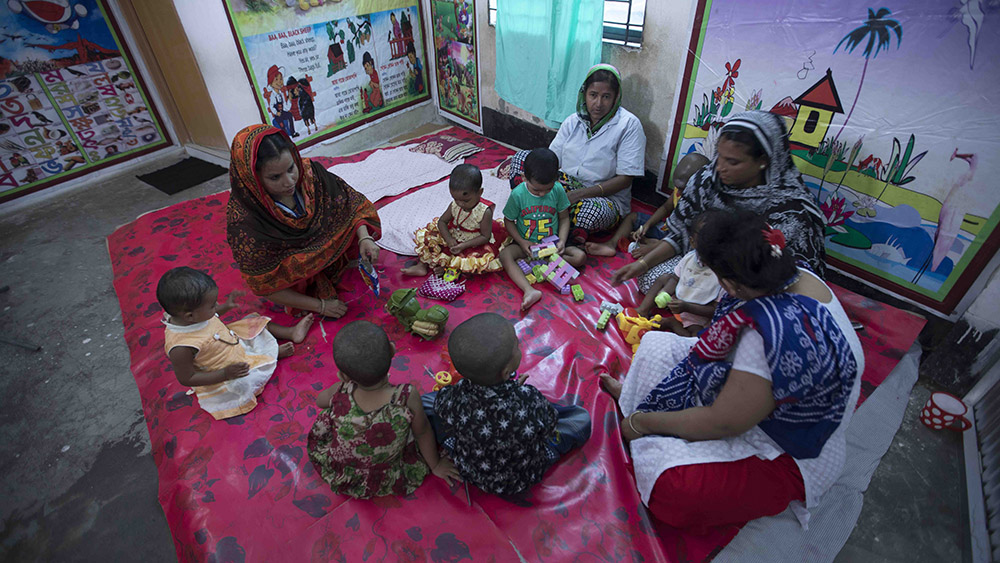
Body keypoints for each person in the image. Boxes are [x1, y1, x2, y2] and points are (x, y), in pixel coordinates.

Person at [600, 210, 862, 532]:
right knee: (655, 344)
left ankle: (642, 421)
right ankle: (639, 408)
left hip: (787, 446)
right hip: (747, 392)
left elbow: (723, 422)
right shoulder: (786, 274)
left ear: (730, 283)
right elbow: (714, 347)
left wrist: (640, 423)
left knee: (675, 487)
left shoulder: (771, 332)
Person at [611, 110, 826, 295]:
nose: (720, 167)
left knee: (724, 300)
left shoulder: (792, 212)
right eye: (719, 156)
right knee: (650, 280)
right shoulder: (707, 180)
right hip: (702, 263)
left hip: (752, 286)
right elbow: (681, 233)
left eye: (733, 161)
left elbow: (791, 279)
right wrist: (642, 264)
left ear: (763, 161)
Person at [425, 313, 591, 496]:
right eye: (516, 345)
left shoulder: (454, 396)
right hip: (524, 477)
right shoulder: (529, 398)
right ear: (506, 372)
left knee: (427, 402)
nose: (519, 346)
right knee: (579, 418)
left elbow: (441, 406)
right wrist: (517, 394)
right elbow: (549, 426)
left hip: (472, 471)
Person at [226, 125, 381, 319]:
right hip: (294, 282)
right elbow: (264, 285)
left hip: (333, 255)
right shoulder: (245, 222)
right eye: (275, 177)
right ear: (252, 178)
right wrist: (321, 306)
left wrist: (364, 238)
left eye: (291, 168)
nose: (289, 181)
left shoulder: (310, 175)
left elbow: (352, 204)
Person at [307, 321, 459, 498]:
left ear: (343, 376)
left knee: (329, 413)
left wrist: (340, 391)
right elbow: (422, 432)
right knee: (414, 420)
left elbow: (320, 402)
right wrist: (435, 465)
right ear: (393, 351)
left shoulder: (340, 390)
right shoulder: (406, 395)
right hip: (388, 469)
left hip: (346, 469)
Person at [510, 64, 646, 242]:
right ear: (584, 94)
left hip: (603, 196)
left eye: (606, 97)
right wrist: (550, 187)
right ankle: (533, 206)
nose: (598, 104)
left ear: (616, 98)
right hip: (564, 184)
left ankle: (557, 227)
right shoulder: (573, 120)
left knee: (590, 213)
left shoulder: (629, 125)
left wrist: (577, 195)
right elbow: (552, 159)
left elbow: (625, 179)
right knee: (521, 159)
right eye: (593, 95)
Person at [157, 267, 314, 420]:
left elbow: (212, 318)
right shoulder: (181, 347)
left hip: (232, 342)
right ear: (190, 316)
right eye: (212, 305)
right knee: (244, 383)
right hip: (224, 372)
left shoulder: (192, 316)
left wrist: (225, 307)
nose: (216, 305)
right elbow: (188, 378)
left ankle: (290, 333)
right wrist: (225, 374)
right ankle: (271, 355)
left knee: (252, 321)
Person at [500, 148, 586, 311]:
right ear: (524, 177)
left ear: (556, 179)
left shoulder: (558, 190)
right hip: (527, 245)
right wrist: (522, 241)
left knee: (580, 256)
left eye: (547, 189)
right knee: (505, 255)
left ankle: (542, 266)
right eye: (536, 190)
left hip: (552, 247)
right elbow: (508, 221)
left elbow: (564, 217)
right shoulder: (518, 194)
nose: (542, 193)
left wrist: (561, 240)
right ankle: (529, 290)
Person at [586, 152, 709, 259]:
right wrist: (647, 225)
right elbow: (666, 208)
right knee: (632, 218)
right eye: (678, 187)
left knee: (665, 247)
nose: (679, 192)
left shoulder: (703, 205)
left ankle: (651, 244)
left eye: (683, 189)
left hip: (679, 239)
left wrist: (654, 247)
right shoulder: (679, 190)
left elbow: (686, 241)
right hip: (668, 228)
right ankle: (611, 244)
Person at [402, 164, 505, 277]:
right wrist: (449, 239)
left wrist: (463, 245)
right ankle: (421, 266)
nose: (460, 204)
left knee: (472, 261)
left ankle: (447, 268)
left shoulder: (485, 211)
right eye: (456, 199)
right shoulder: (455, 205)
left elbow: (485, 237)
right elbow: (442, 222)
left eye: (466, 200)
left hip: (474, 241)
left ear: (479, 192)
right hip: (455, 234)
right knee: (430, 240)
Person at [635, 213, 720, 336]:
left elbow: (715, 310)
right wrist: (664, 293)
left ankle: (672, 323)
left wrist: (687, 307)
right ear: (692, 242)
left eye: (715, 244)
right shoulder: (690, 258)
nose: (709, 249)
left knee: (695, 337)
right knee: (664, 278)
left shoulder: (722, 275)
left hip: (695, 316)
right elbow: (675, 279)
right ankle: (643, 309)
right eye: (703, 242)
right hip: (677, 300)